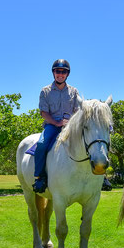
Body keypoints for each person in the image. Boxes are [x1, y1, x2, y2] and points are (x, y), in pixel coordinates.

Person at [32, 59, 82, 193]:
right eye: (58, 71)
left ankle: (99, 174)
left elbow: (77, 111)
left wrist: (70, 123)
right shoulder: (45, 91)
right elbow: (44, 113)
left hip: (70, 126)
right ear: (53, 73)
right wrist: (57, 123)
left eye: (64, 72)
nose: (61, 74)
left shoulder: (74, 91)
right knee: (42, 144)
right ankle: (40, 176)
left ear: (67, 74)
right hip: (52, 125)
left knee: (89, 140)